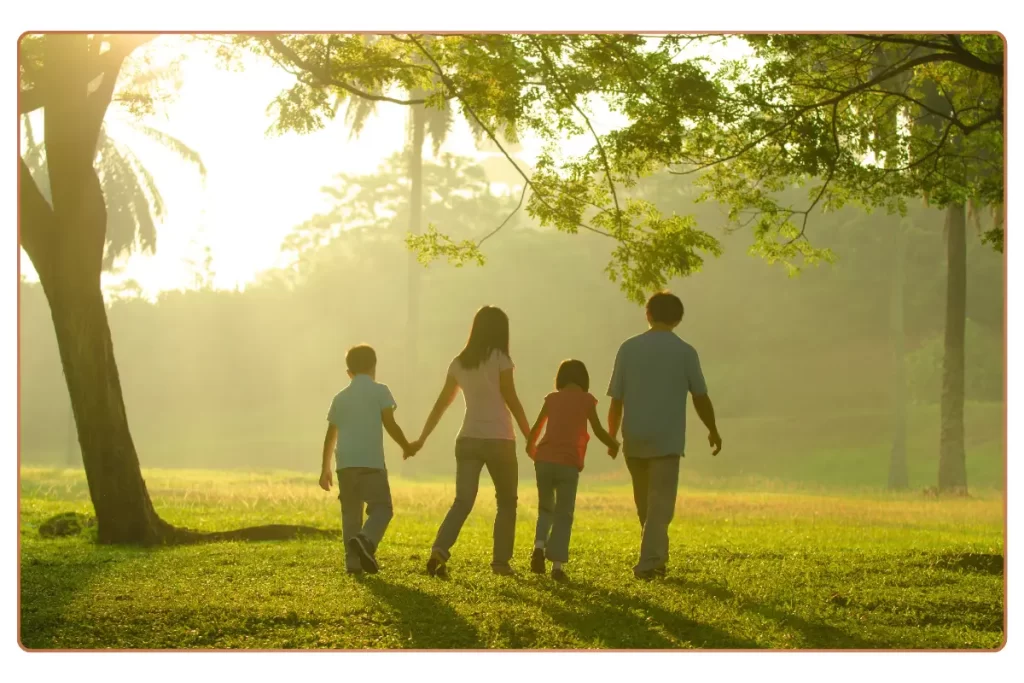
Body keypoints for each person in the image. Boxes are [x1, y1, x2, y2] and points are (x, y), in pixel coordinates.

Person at [607, 291, 722, 580]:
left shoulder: (628, 348)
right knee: (660, 505)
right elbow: (700, 396)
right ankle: (649, 563)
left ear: (648, 314)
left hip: (634, 437)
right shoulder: (685, 352)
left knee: (645, 504)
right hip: (667, 439)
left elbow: (616, 399)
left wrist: (611, 435)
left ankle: (656, 558)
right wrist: (712, 429)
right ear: (678, 319)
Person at [408, 306, 531, 577]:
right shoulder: (501, 359)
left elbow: (442, 404)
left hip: (467, 440)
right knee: (507, 502)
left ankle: (440, 549)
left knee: (462, 501)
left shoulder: (459, 362)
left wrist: (422, 438)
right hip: (500, 439)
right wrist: (530, 436)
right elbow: (511, 398)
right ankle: (500, 563)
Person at [318, 344, 416, 575]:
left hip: (345, 465)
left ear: (348, 372)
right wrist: (406, 446)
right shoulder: (380, 391)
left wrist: (325, 468)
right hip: (371, 464)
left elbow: (331, 435)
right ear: (374, 367)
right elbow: (389, 424)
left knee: (351, 514)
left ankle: (353, 565)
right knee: (382, 508)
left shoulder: (340, 398)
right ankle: (366, 538)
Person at [525, 359, 619, 583]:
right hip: (567, 464)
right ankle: (557, 567)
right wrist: (613, 444)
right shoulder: (586, 400)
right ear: (583, 379)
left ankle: (539, 547)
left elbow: (536, 427)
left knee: (545, 508)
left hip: (544, 461)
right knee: (564, 515)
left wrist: (532, 450)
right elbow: (597, 429)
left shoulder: (552, 399)